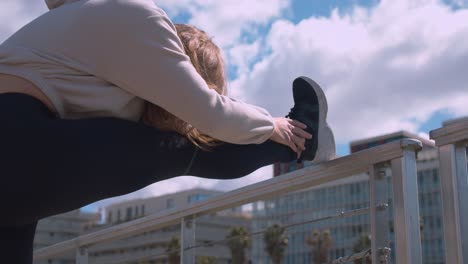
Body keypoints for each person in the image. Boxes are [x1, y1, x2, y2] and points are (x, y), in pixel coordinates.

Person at [0, 0, 335, 263]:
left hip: (18, 160)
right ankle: (300, 140)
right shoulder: (137, 16)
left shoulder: (69, 22)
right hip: (16, 142)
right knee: (175, 149)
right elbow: (211, 115)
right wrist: (272, 124)